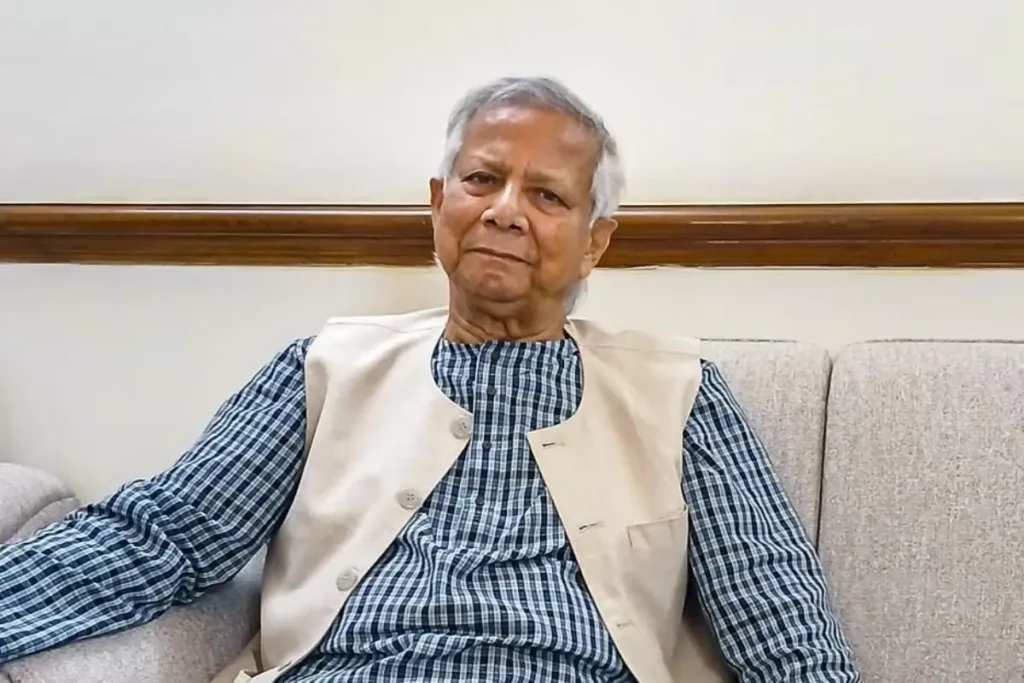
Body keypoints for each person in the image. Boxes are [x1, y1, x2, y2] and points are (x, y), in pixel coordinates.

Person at [0, 76, 860, 683]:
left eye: (548, 196)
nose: (505, 210)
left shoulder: (678, 391)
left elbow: (776, 615)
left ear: (595, 240)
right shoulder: (323, 369)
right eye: (482, 179)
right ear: (439, 201)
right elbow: (166, 535)